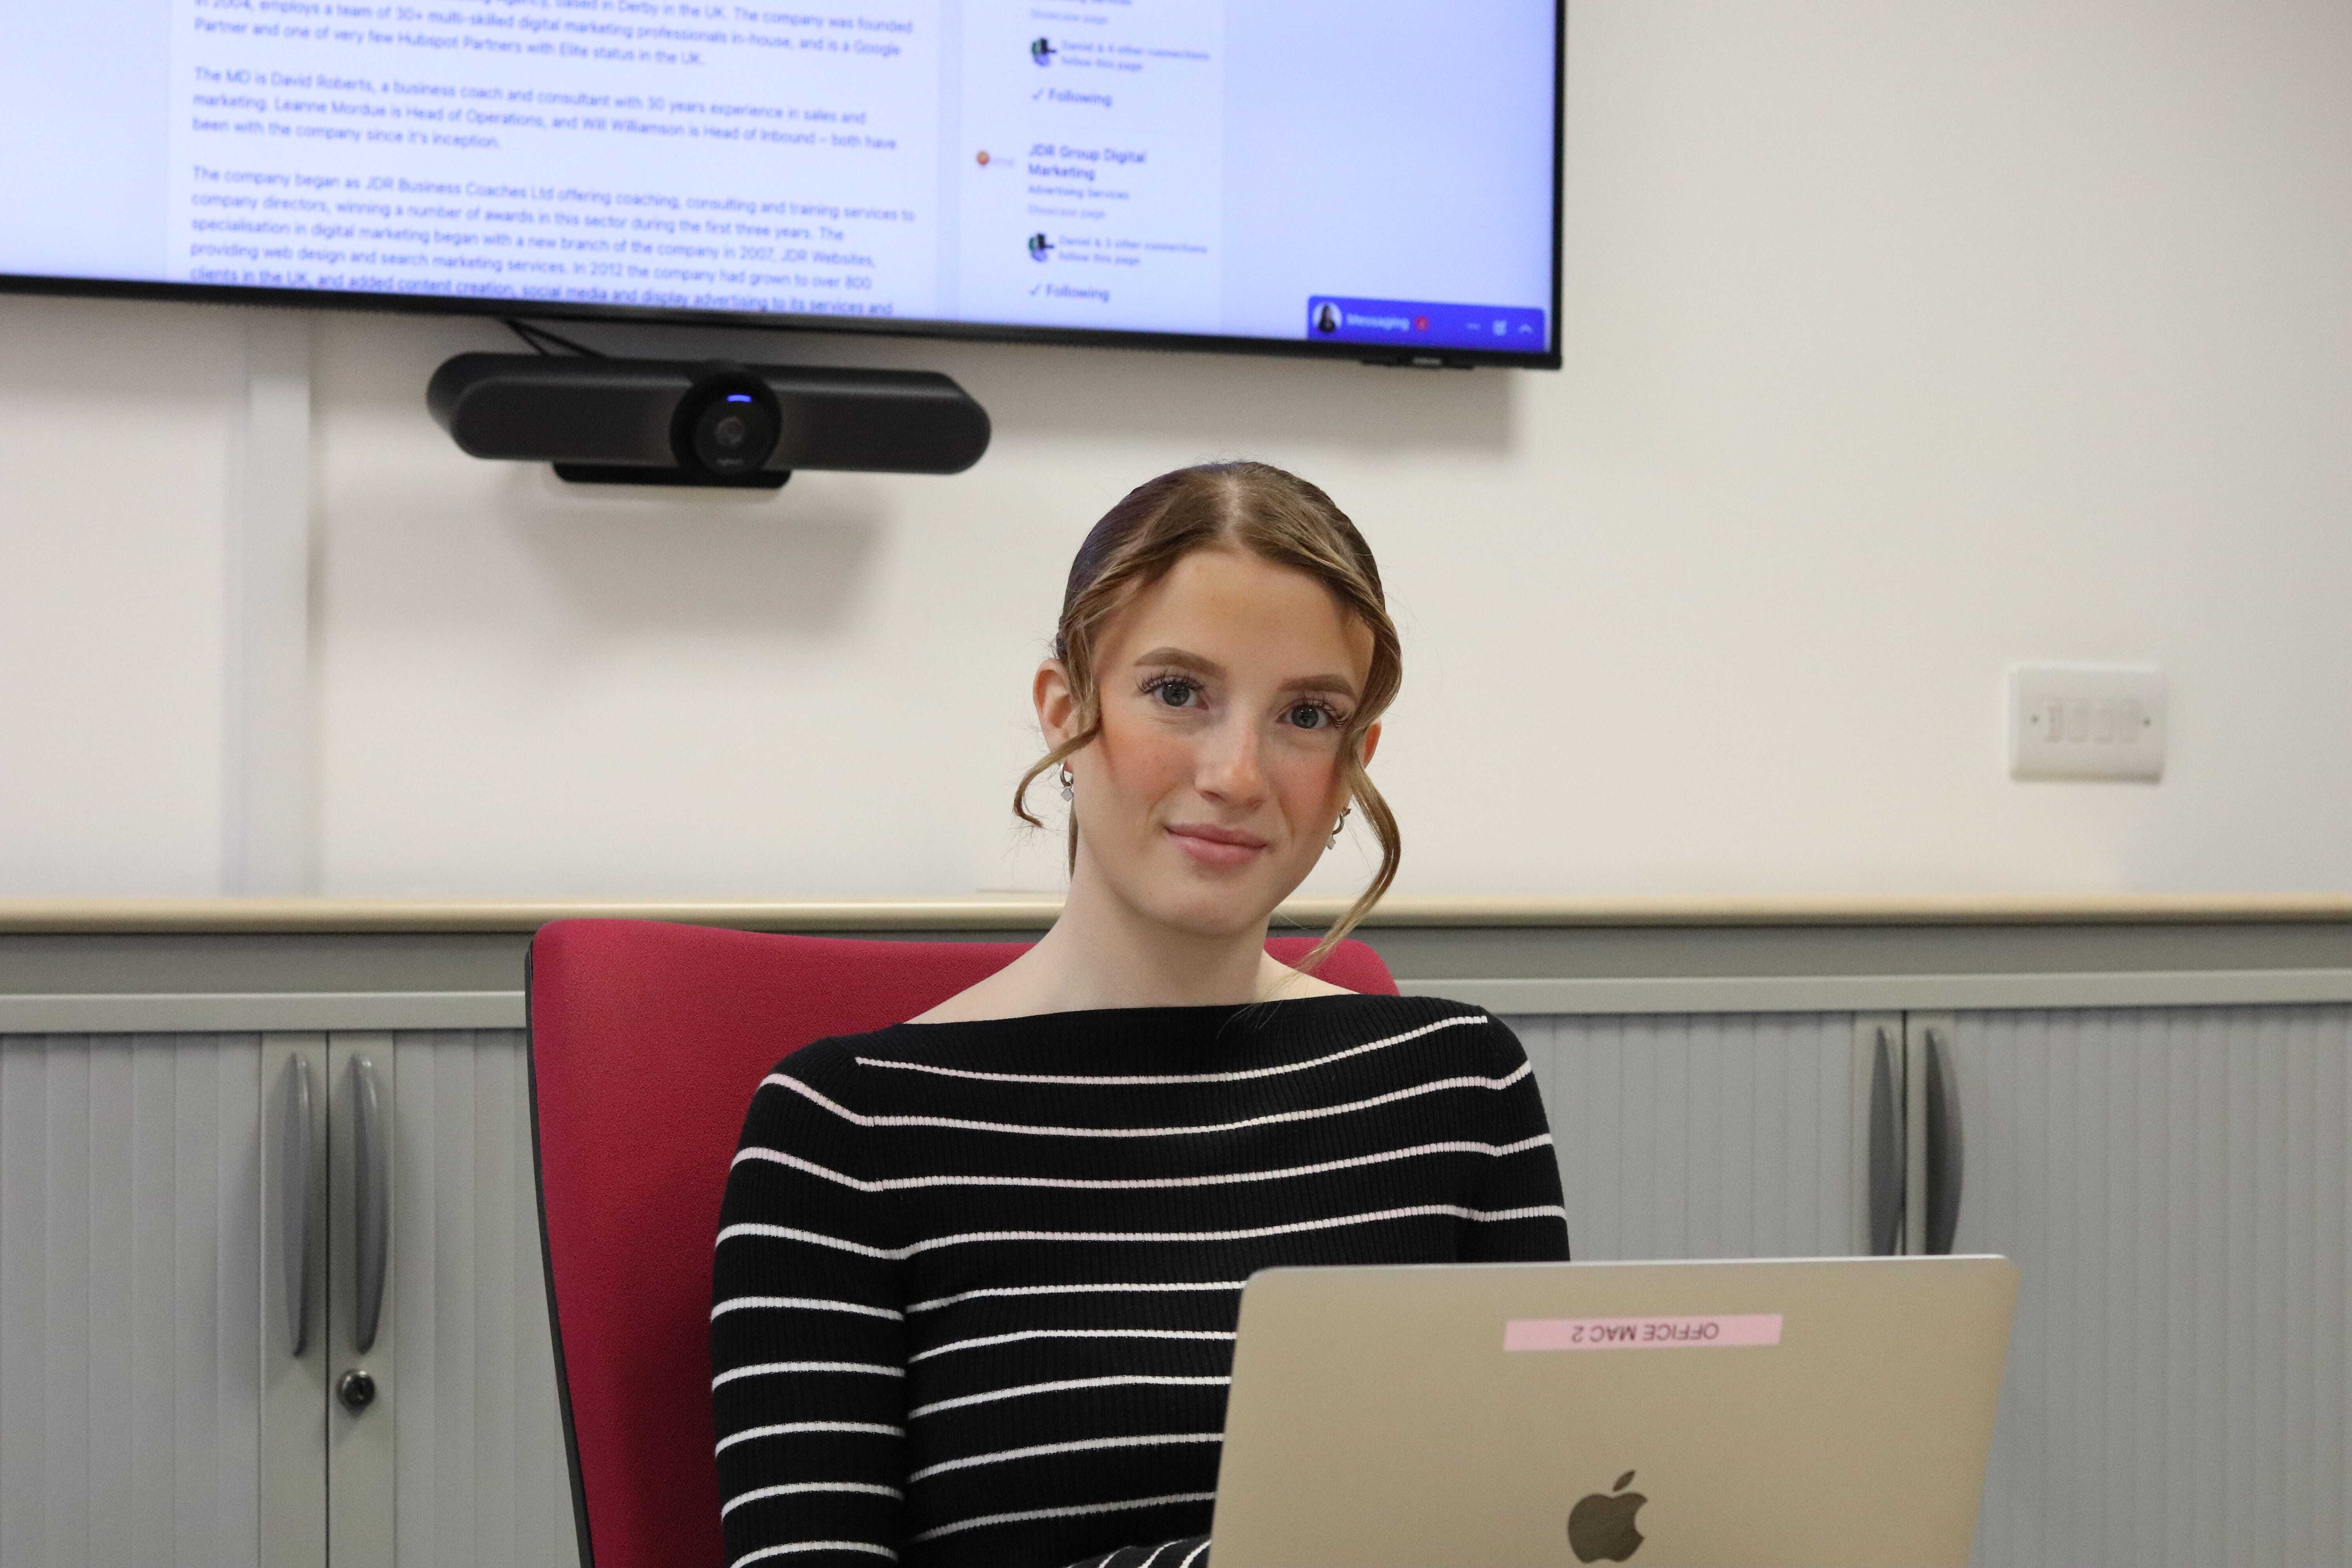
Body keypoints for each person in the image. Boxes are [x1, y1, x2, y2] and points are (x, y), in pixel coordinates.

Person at [710, 462, 1570, 1568]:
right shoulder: (845, 1133)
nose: (1237, 773)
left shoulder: (1460, 1087)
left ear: (1356, 764)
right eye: (1178, 693)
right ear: (1066, 711)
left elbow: (1539, 1515)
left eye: (1307, 716)